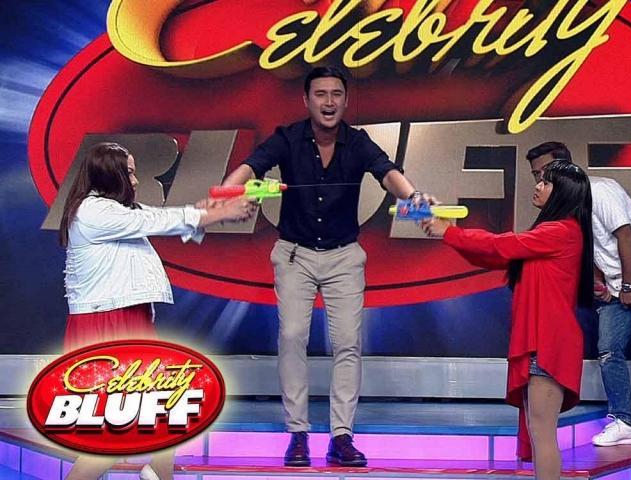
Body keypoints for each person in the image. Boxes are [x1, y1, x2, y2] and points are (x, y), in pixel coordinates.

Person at [220, 66, 432, 467]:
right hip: (295, 254)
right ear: (307, 100)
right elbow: (253, 165)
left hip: (344, 256)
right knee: (292, 336)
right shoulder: (288, 137)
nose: (329, 102)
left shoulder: (358, 141)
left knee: (348, 342)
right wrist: (229, 191)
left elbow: (388, 173)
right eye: (321, 94)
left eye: (336, 94)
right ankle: (297, 434)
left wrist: (415, 199)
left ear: (345, 100)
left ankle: (342, 437)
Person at [60, 142, 256, 480]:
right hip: (106, 325)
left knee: (169, 410)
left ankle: (159, 472)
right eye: (129, 173)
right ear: (110, 175)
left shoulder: (112, 211)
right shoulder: (94, 212)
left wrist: (209, 211)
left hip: (125, 320)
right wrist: (218, 213)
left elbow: (160, 217)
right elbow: (157, 220)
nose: (135, 181)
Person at [424, 160, 593, 480]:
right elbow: (492, 254)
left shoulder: (561, 231)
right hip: (543, 341)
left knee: (542, 433)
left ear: (564, 192)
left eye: (546, 182)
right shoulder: (555, 232)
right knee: (539, 431)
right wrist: (449, 233)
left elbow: (500, 245)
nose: (538, 186)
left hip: (548, 342)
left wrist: (450, 232)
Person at [526, 141, 631, 447]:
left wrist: (629, 285)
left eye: (546, 171)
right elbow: (586, 245)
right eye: (536, 174)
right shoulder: (566, 205)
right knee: (609, 349)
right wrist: (600, 281)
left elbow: (625, 235)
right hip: (617, 286)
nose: (540, 179)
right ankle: (623, 422)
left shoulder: (599, 190)